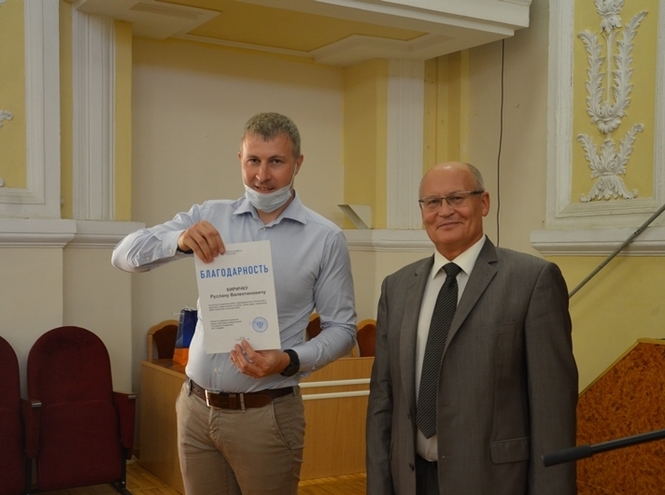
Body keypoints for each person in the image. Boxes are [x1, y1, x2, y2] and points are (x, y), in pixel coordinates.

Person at [112, 112, 357, 495]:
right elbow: (123, 256)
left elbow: (342, 329)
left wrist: (289, 359)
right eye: (253, 160)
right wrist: (178, 240)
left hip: (266, 413)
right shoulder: (209, 216)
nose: (262, 175)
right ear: (240, 158)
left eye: (276, 161)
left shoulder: (325, 238)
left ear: (298, 163)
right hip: (196, 407)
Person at [365, 161, 578, 495]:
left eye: (457, 198)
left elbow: (553, 412)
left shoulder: (532, 280)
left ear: (484, 203)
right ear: (423, 212)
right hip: (411, 481)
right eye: (433, 202)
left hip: (493, 483)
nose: (444, 211)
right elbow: (383, 400)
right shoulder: (397, 287)